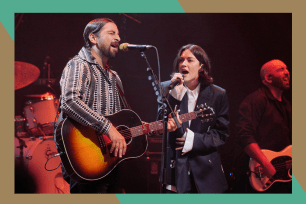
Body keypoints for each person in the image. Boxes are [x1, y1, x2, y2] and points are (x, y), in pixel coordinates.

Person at [54, 18, 179, 194]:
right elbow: (70, 101)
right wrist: (109, 129)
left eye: (119, 34)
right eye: (111, 33)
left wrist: (159, 127)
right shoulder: (79, 64)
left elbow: (124, 120)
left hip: (109, 161)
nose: (118, 38)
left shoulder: (113, 76)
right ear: (93, 38)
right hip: (86, 156)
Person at [158, 44, 230, 193]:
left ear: (201, 66)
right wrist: (174, 97)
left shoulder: (218, 94)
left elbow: (221, 134)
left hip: (206, 170)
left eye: (190, 60)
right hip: (175, 169)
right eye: (181, 60)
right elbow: (159, 123)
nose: (183, 64)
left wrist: (194, 140)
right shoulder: (167, 88)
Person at [234, 59, 292, 193]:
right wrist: (266, 164)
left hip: (282, 177)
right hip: (259, 175)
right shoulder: (256, 100)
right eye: (280, 69)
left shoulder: (287, 105)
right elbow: (244, 135)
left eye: (286, 68)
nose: (287, 72)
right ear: (268, 78)